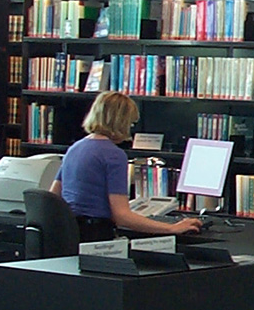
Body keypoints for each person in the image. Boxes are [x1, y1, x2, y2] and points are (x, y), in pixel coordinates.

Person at [50, 91, 203, 241]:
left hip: (70, 234)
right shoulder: (113, 155)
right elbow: (122, 216)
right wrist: (172, 228)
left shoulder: (75, 148)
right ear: (121, 122)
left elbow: (53, 196)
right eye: (130, 123)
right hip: (96, 235)